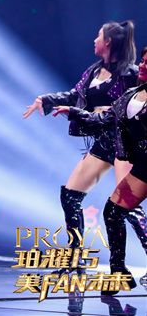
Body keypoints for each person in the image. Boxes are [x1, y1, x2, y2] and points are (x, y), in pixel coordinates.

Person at [23, 21, 143, 272]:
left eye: (98, 36)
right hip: (103, 142)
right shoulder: (94, 71)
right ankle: (74, 259)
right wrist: (46, 99)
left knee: (127, 207)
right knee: (70, 196)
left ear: (108, 42)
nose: (94, 40)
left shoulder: (131, 74)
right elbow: (74, 96)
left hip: (124, 144)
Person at [52, 46, 147, 292]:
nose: (143, 66)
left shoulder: (128, 80)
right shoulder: (132, 94)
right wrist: (74, 112)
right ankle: (119, 273)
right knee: (113, 212)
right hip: (142, 164)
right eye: (143, 61)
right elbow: (105, 120)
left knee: (124, 212)